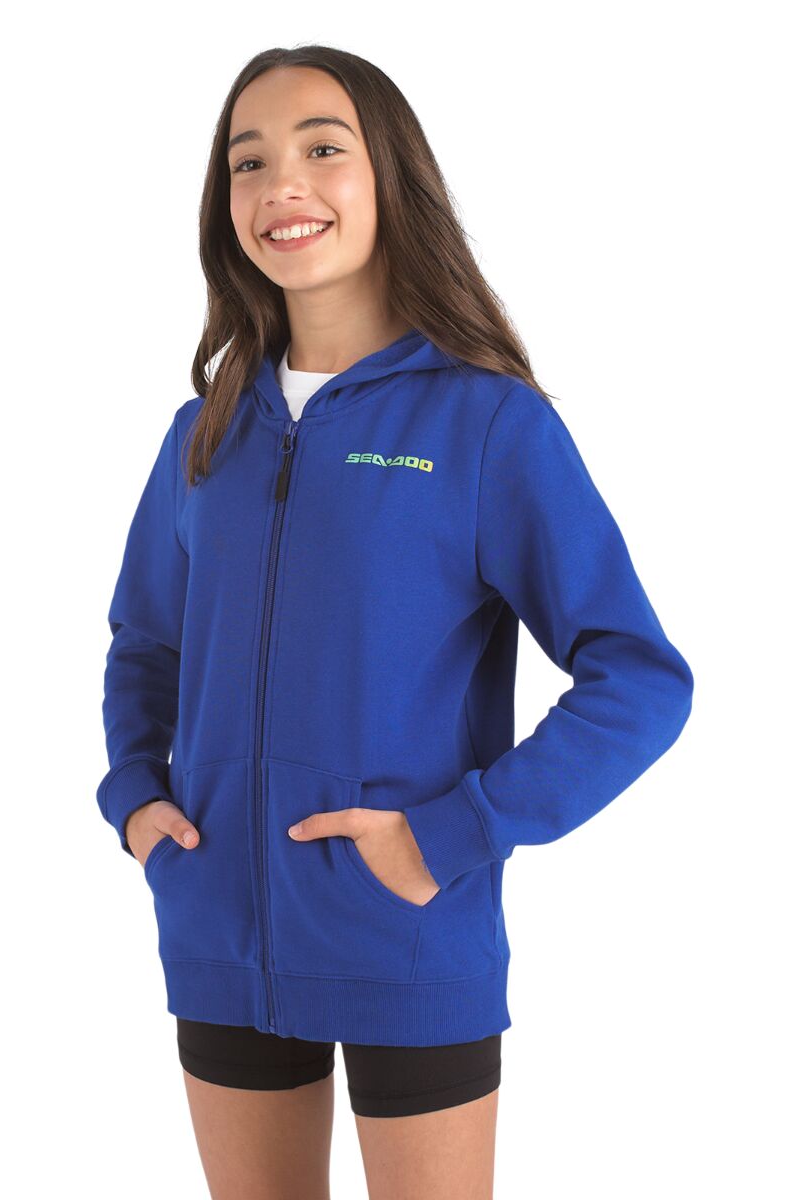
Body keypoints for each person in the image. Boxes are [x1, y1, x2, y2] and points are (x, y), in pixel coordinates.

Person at [96, 45, 694, 1200]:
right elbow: (147, 645)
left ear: (391, 180)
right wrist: (136, 802)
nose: (282, 184)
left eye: (323, 148)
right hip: (218, 928)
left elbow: (639, 678)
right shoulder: (204, 431)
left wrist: (454, 835)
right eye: (248, 162)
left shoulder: (486, 424)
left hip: (407, 929)